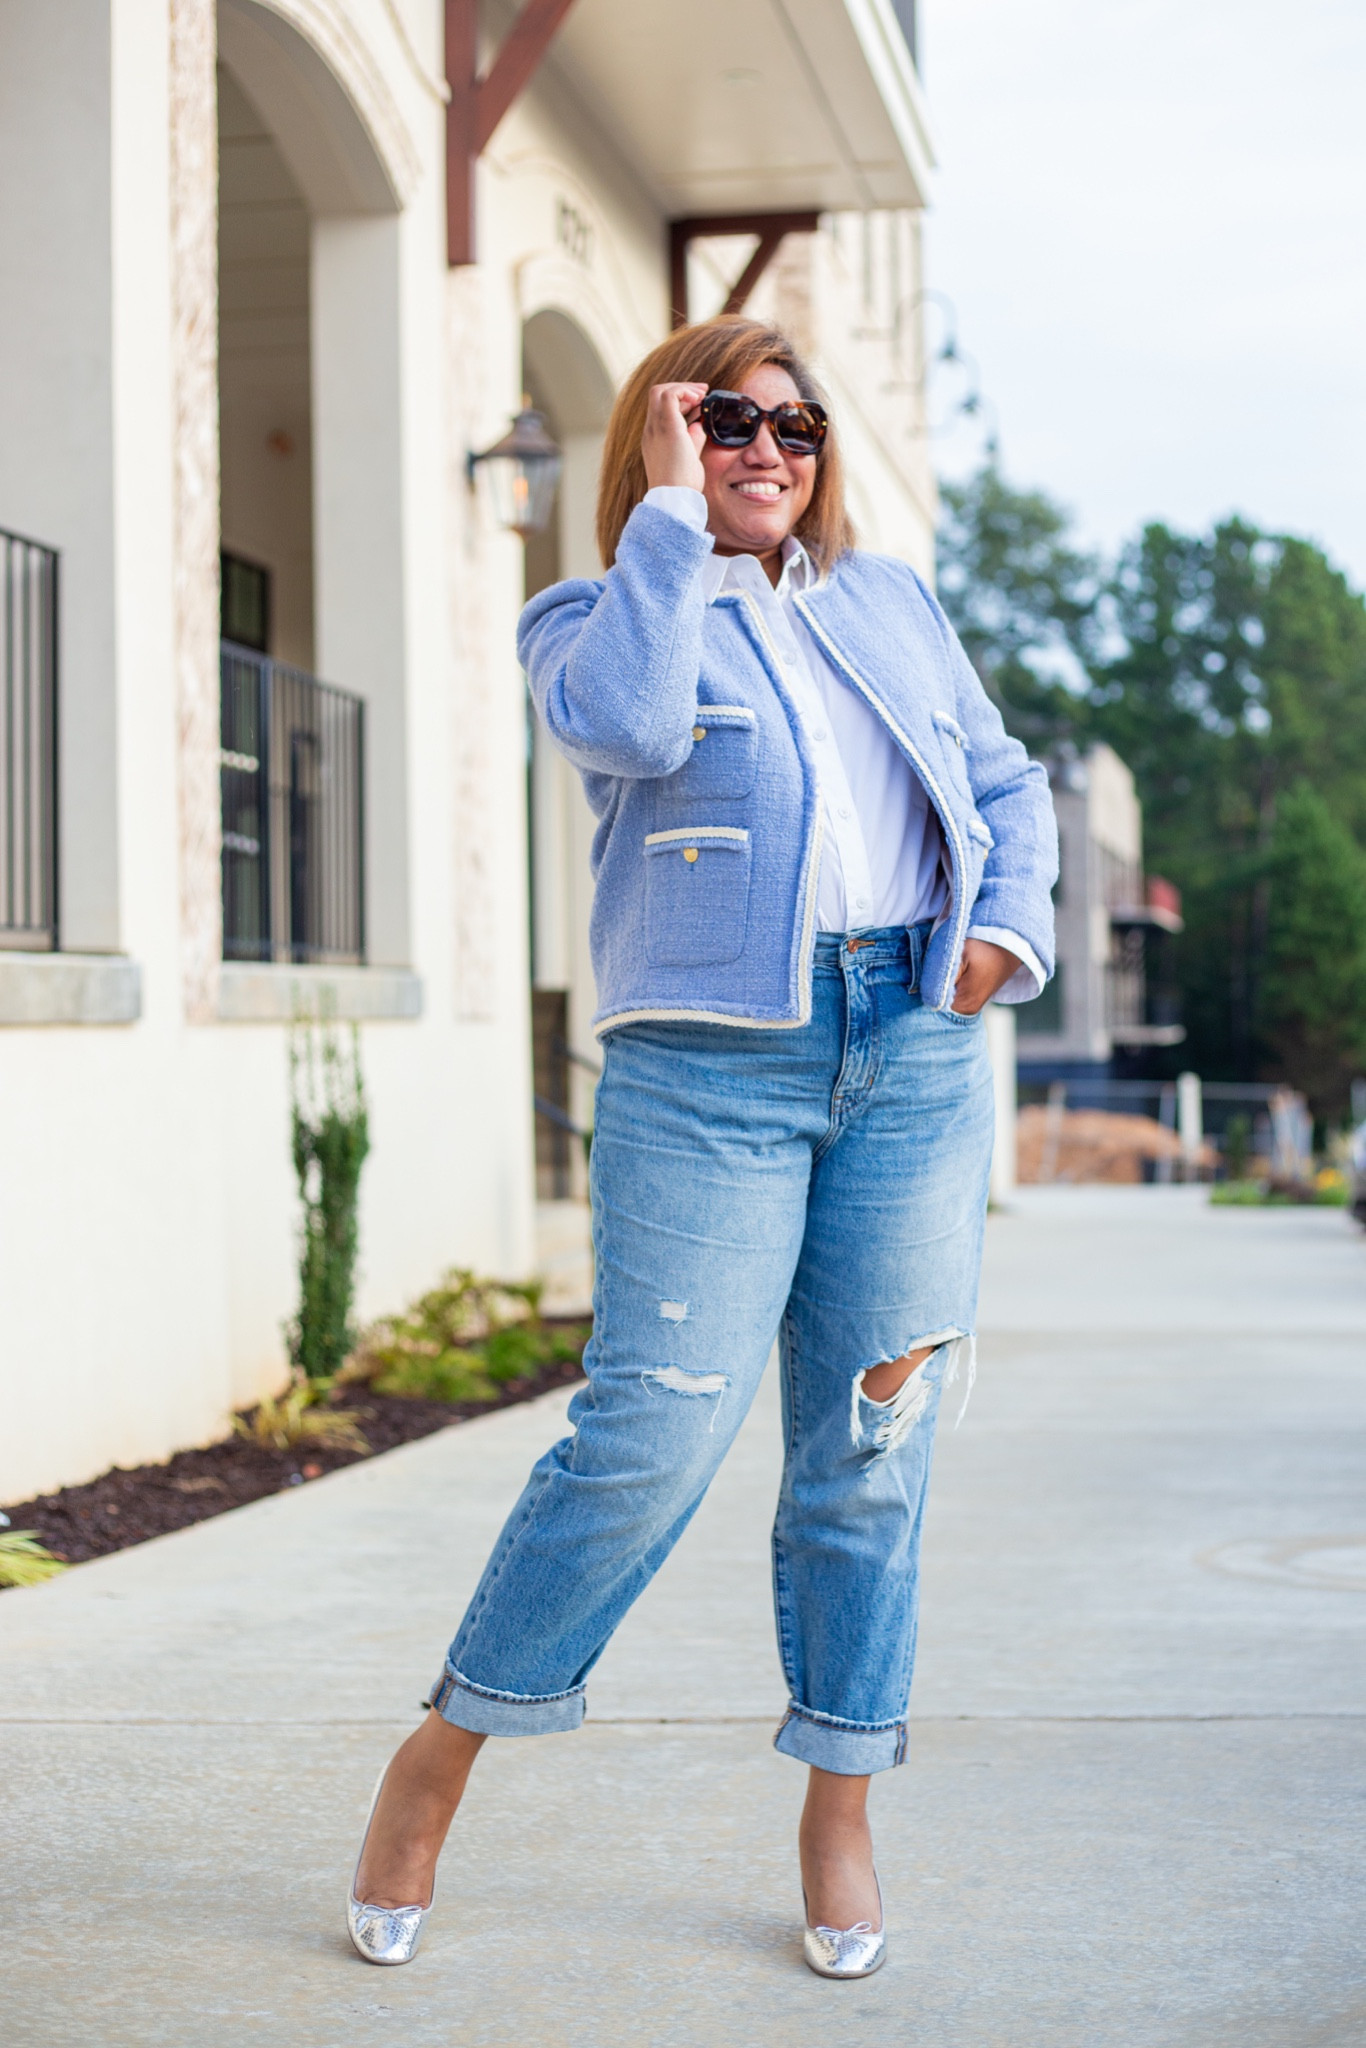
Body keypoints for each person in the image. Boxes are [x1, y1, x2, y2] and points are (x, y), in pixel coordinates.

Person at [347, 316, 1057, 1980]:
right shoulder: (594, 610)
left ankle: (837, 1800)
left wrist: (997, 942)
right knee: (644, 1442)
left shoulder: (886, 602)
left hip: (913, 1050)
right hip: (707, 1075)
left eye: (794, 427)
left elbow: (1009, 787)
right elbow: (626, 733)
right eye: (724, 419)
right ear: (664, 437)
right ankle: (441, 1757)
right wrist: (668, 517)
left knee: (869, 1455)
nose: (766, 449)